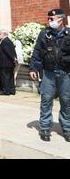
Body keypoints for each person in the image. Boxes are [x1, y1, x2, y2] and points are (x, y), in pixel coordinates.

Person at [30, 9, 70, 142]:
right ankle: (45, 128)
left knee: (66, 100)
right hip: (48, 73)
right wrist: (33, 68)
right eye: (48, 18)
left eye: (51, 19)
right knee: (46, 100)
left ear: (61, 19)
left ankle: (67, 128)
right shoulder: (44, 34)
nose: (49, 21)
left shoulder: (68, 34)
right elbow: (37, 51)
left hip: (65, 73)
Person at [0, 30, 18, 96]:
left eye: (0, 34)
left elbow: (8, 51)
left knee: (5, 77)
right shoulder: (8, 40)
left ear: (4, 34)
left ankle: (6, 91)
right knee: (10, 77)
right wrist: (14, 59)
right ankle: (12, 90)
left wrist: (13, 58)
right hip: (9, 63)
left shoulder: (5, 41)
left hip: (5, 63)